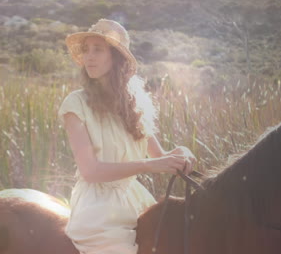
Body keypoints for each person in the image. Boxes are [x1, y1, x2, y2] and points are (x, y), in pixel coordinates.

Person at [58, 19, 196, 254]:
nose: (89, 57)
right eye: (86, 50)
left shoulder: (136, 105)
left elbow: (159, 156)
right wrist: (149, 165)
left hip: (134, 199)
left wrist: (183, 152)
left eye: (98, 50)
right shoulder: (76, 103)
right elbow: (90, 171)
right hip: (97, 208)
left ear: (116, 59)